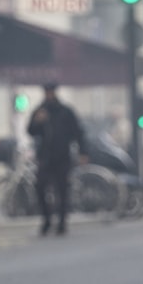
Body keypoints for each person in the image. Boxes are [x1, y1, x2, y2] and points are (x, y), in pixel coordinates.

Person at [26, 82, 90, 236]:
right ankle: (46, 220)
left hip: (62, 156)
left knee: (62, 190)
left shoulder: (65, 112)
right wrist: (37, 121)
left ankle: (62, 222)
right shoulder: (40, 111)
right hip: (45, 157)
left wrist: (83, 152)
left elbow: (78, 132)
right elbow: (30, 131)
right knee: (40, 187)